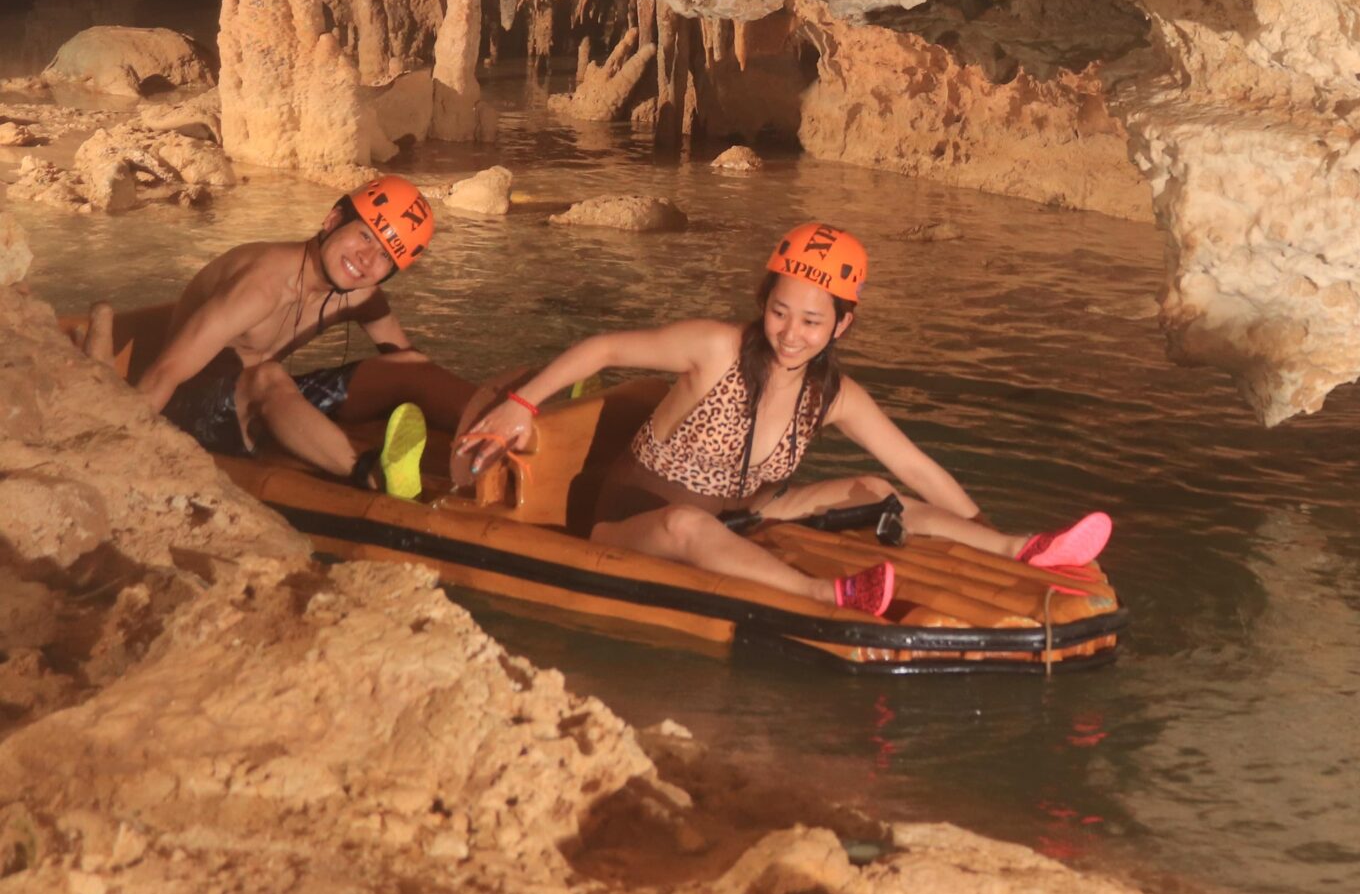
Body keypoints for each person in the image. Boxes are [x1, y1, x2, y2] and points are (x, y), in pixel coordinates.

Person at [456, 220, 1112, 616]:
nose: (790, 333)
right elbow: (604, 347)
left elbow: (911, 463)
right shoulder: (715, 348)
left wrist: (979, 528)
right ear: (763, 299)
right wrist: (523, 403)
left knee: (875, 490)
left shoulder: (834, 394)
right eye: (779, 311)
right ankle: (826, 595)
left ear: (842, 324)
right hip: (634, 524)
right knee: (686, 522)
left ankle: (1022, 547)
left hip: (747, 514)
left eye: (811, 320)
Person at [134, 173, 479, 498]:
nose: (367, 258)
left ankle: (492, 438)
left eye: (386, 257)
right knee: (269, 376)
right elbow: (166, 372)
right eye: (365, 236)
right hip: (190, 416)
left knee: (410, 366)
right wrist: (127, 445)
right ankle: (371, 472)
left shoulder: (359, 292)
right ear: (333, 220)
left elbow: (408, 362)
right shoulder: (261, 286)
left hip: (262, 405)